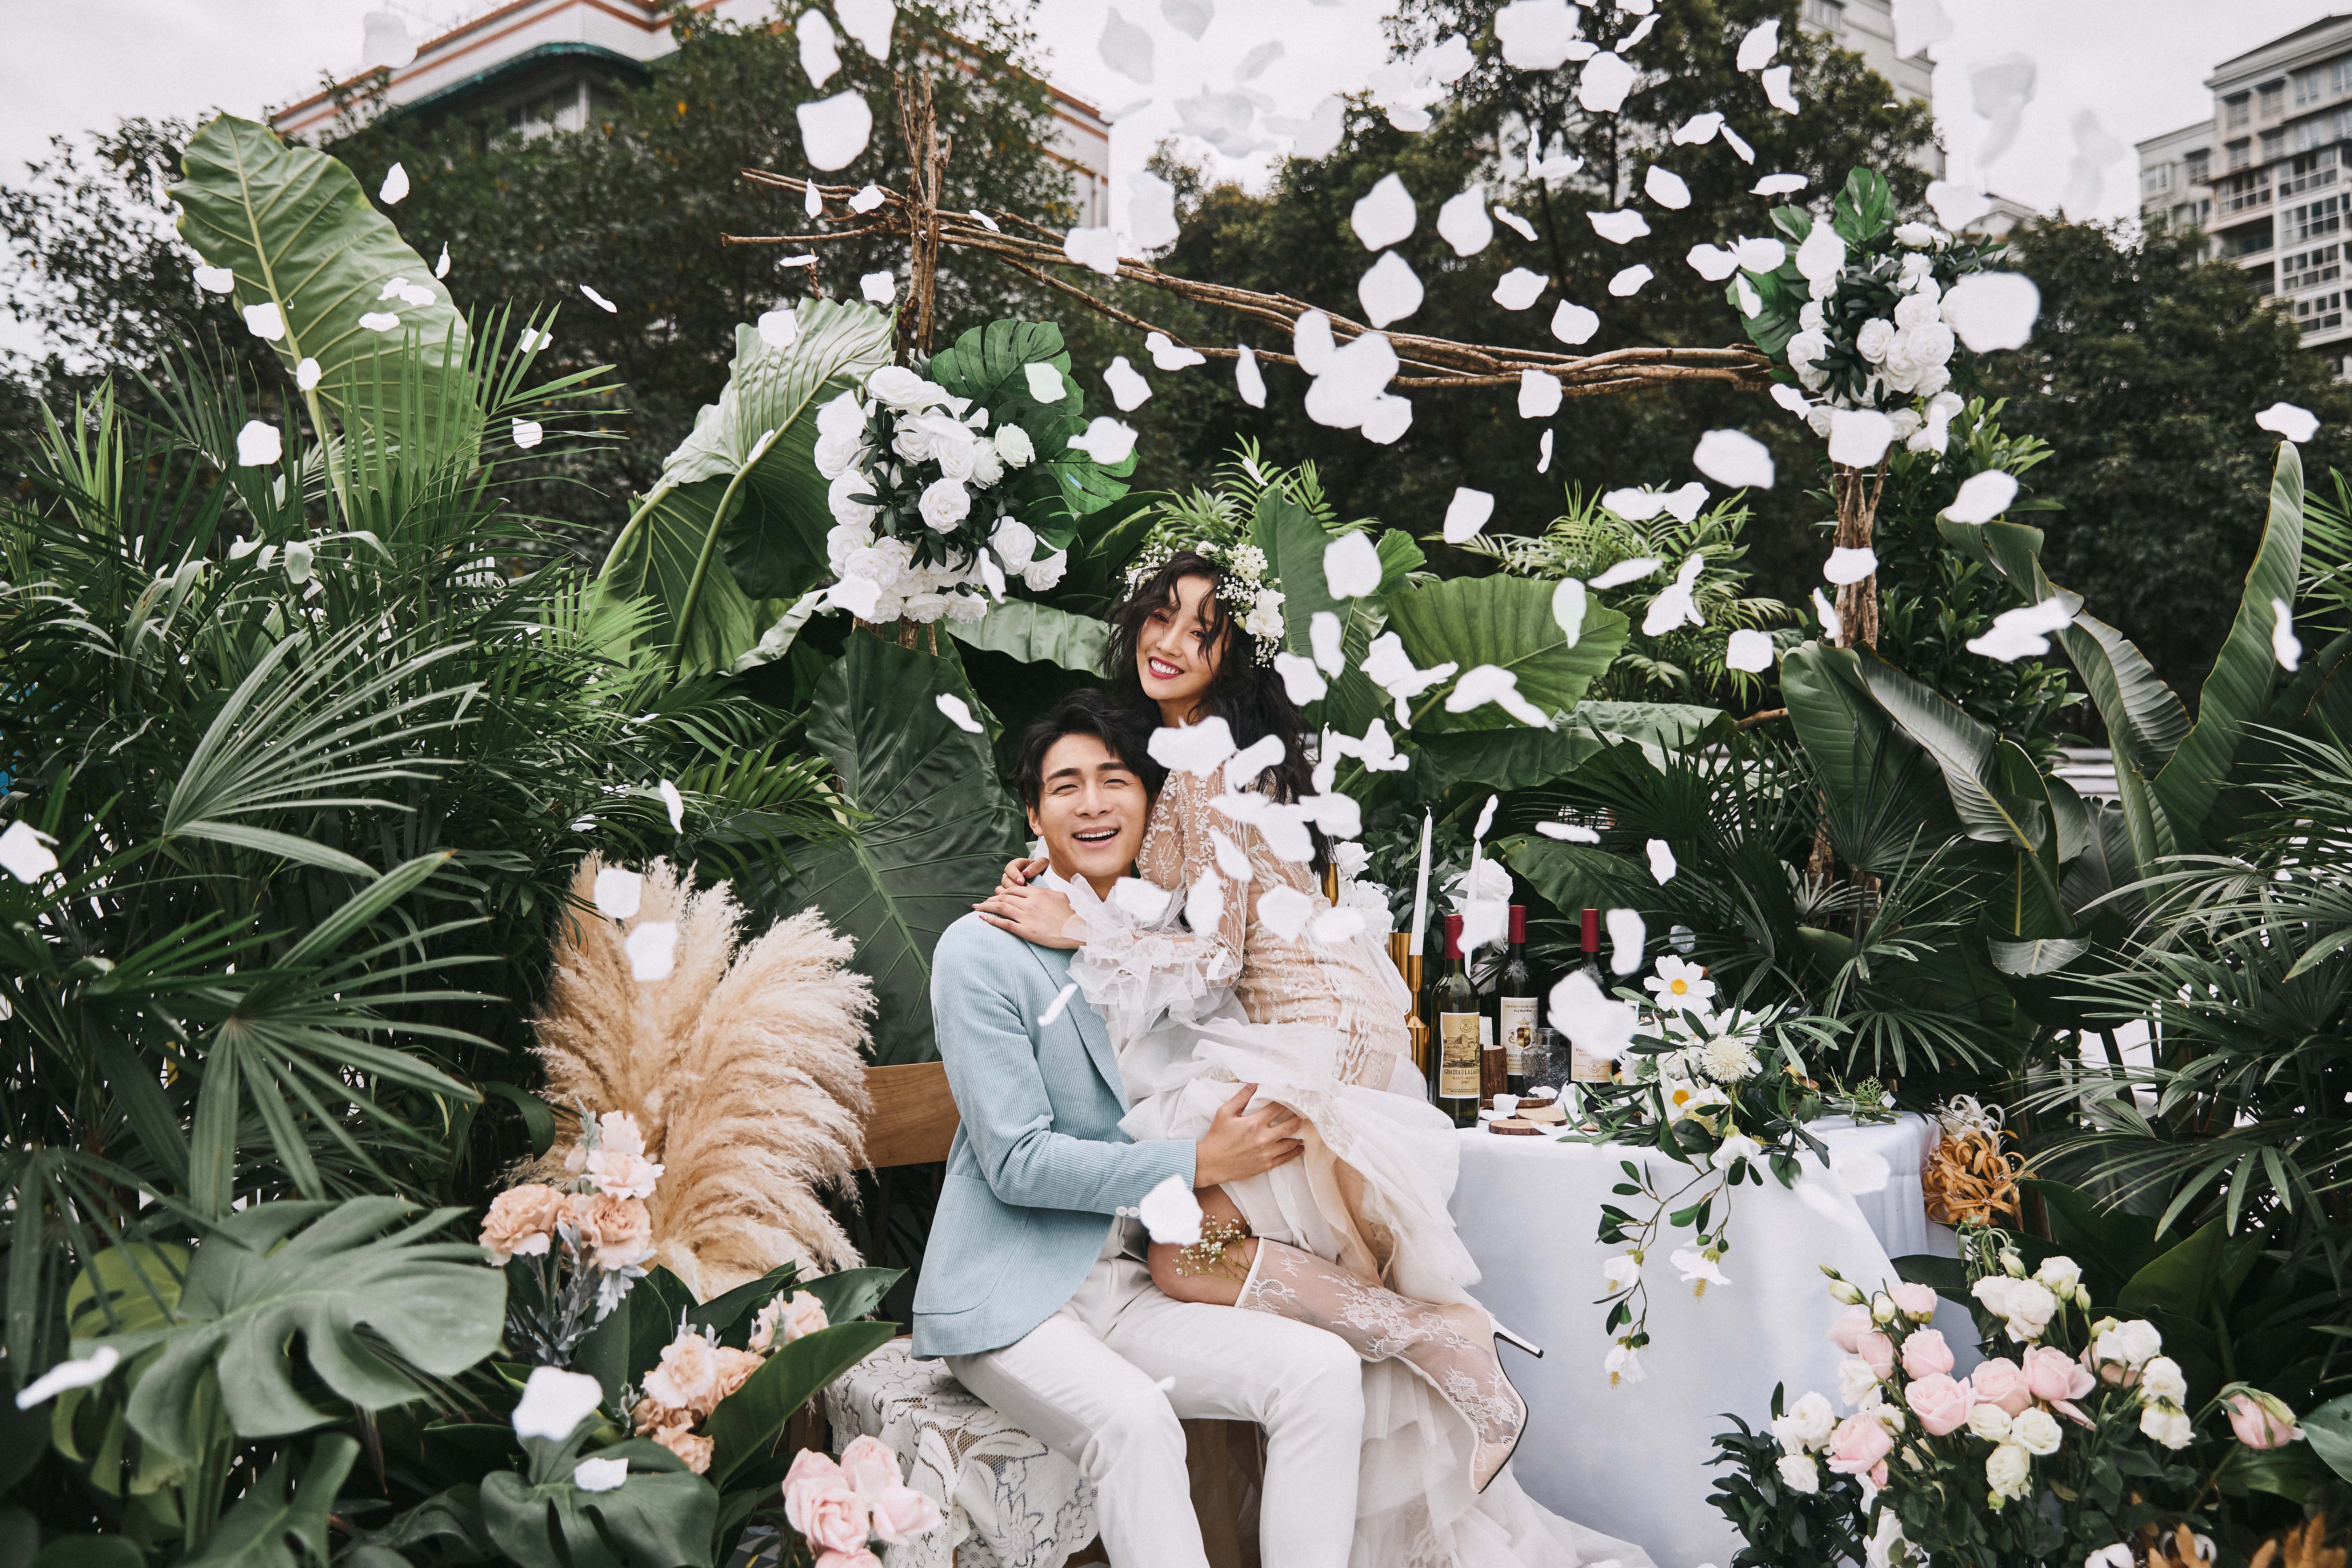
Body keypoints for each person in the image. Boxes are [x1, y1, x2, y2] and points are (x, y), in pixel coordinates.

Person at [975, 516, 1654, 1568]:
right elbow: (1158, 904)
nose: (1173, 641)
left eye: (1204, 629)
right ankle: (1433, 1336)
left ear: (1233, 655)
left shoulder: (1213, 766)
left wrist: (1078, 928)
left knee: (1185, 1254)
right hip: (1301, 1017)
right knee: (1194, 1252)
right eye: (1161, 617)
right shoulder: (1189, 759)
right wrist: (1051, 878)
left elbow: (1212, 956)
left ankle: (1433, 1336)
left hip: (1312, 1023)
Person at [914, 691, 1369, 1568]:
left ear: (1151, 801)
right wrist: (1195, 1160)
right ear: (1034, 813)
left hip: (1140, 1282)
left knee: (1323, 1371)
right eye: (1065, 786)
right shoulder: (981, 950)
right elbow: (1016, 1161)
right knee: (1136, 1419)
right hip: (1018, 1293)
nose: (1092, 804)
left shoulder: (1174, 944)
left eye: (1115, 779)